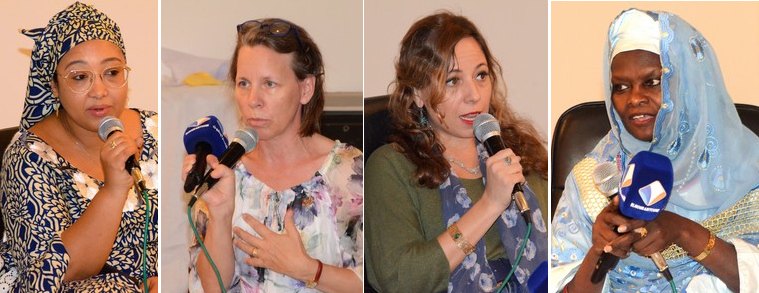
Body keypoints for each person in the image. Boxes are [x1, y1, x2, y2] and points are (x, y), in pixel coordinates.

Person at [551, 8, 759, 293]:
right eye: (621, 87)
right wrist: (600, 252)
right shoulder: (593, 180)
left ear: (686, 85)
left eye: (652, 82)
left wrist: (682, 231)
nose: (635, 98)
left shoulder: (747, 170)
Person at [365, 12, 549, 293]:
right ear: (417, 93)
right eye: (452, 80)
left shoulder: (518, 151)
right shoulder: (391, 167)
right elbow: (398, 279)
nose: (473, 94)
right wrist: (489, 204)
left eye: (481, 75)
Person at [184, 18, 363, 292]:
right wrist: (220, 215)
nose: (253, 99)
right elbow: (210, 287)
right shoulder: (224, 173)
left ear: (306, 89)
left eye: (269, 84)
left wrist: (308, 270)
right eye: (244, 83)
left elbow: (376, 281)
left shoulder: (348, 172)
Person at [0, 2, 158, 292]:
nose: (100, 91)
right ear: (54, 87)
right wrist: (113, 190)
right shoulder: (28, 158)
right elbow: (51, 277)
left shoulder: (155, 129)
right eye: (80, 77)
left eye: (112, 72)